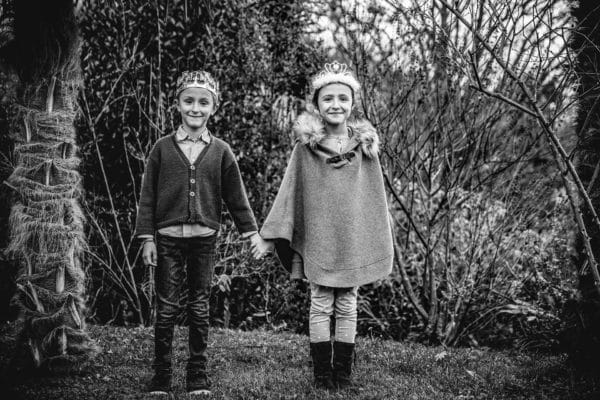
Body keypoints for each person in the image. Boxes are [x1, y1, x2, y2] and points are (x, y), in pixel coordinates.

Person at [254, 61, 394, 390]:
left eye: (342, 98)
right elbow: (289, 193)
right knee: (320, 302)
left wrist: (374, 235)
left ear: (352, 104)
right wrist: (270, 235)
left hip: (351, 240)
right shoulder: (305, 150)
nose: (335, 104)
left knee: (347, 302)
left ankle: (341, 375)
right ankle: (321, 376)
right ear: (317, 104)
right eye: (328, 98)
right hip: (319, 238)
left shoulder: (366, 150)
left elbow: (374, 201)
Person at [135, 70, 263, 396]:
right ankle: (161, 377)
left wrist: (252, 234)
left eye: (203, 102)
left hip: (204, 239)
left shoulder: (221, 151)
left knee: (199, 306)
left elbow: (236, 198)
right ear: (177, 104)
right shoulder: (162, 149)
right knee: (165, 308)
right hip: (167, 239)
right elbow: (147, 196)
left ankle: (197, 375)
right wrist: (147, 237)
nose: (195, 108)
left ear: (213, 107)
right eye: (189, 101)